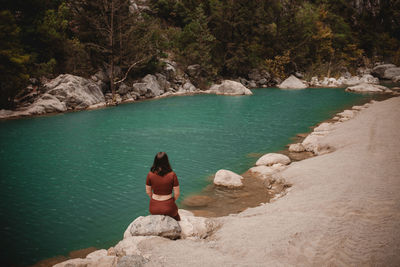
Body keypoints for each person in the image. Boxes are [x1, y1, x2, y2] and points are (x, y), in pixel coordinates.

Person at [145, 152, 181, 221]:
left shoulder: (150, 174)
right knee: (177, 218)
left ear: (155, 161)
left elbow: (148, 192)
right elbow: (177, 194)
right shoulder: (172, 175)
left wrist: (154, 200)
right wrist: (171, 201)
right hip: (169, 208)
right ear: (167, 161)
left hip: (153, 208)